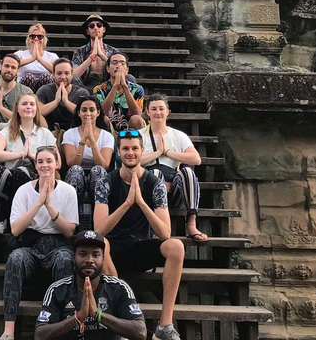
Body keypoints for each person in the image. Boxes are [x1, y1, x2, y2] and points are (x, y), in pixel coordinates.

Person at [94, 129, 186, 340]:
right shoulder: (106, 182)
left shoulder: (155, 184)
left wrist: (141, 203)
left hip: (141, 246)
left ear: (142, 151)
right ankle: (123, 322)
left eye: (135, 148)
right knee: (100, 243)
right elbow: (98, 230)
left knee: (176, 246)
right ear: (118, 152)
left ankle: (165, 325)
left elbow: (165, 233)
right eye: (125, 148)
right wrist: (127, 204)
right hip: (113, 250)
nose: (130, 153)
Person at [1, 145, 79, 340]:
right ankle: (9, 329)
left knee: (65, 260)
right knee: (15, 259)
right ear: (35, 165)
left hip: (58, 243)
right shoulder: (24, 191)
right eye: (40, 161)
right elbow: (16, 229)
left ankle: (61, 325)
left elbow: (70, 230)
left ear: (57, 164)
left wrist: (49, 206)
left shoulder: (68, 191)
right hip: (31, 243)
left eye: (49, 161)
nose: (45, 165)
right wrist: (38, 203)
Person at [34, 230, 146, 340]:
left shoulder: (118, 287)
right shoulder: (57, 289)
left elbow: (140, 332)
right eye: (83, 254)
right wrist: (78, 317)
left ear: (103, 259)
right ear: (74, 258)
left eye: (95, 255)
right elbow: (39, 334)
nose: (89, 260)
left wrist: (98, 315)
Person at [141, 94, 207, 242]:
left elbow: (196, 159)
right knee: (155, 174)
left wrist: (168, 152)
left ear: (167, 111)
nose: (158, 112)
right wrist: (157, 153)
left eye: (161, 108)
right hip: (149, 185)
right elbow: (133, 162)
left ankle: (191, 223)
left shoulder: (178, 135)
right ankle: (155, 226)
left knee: (188, 172)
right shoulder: (140, 135)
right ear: (147, 112)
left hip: (174, 188)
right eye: (154, 109)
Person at [0, 93, 57, 232]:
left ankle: (21, 217)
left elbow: (58, 162)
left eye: (32, 104)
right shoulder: (7, 131)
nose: (28, 107)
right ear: (17, 109)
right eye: (24, 104)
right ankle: (1, 219)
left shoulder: (45, 133)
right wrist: (20, 154)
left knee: (21, 171)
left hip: (34, 176)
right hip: (9, 175)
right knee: (0, 172)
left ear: (36, 109)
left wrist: (32, 156)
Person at [63, 96, 114, 226]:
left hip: (96, 174)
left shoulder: (107, 136)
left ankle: (98, 220)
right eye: (84, 110)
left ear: (98, 112)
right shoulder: (69, 133)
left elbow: (104, 164)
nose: (88, 114)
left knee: (98, 170)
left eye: (92, 110)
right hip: (76, 174)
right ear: (79, 113)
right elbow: (72, 163)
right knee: (75, 170)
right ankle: (72, 219)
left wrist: (92, 141)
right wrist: (82, 141)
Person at [92, 52, 145, 131]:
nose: (118, 66)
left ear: (127, 70)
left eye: (122, 63)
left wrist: (124, 86)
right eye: (114, 63)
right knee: (102, 118)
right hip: (109, 130)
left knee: (137, 118)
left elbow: (137, 114)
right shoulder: (99, 89)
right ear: (108, 69)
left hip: (129, 131)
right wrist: (115, 86)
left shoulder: (137, 89)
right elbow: (101, 113)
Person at [37, 58, 91, 131]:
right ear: (53, 74)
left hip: (75, 129)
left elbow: (87, 113)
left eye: (66, 73)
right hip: (49, 129)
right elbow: (37, 112)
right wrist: (56, 101)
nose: (63, 77)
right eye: (59, 73)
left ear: (72, 75)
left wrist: (66, 102)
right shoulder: (45, 90)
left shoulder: (82, 93)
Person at [72, 14, 119, 89]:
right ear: (87, 31)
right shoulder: (80, 51)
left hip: (108, 87)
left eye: (99, 25)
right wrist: (91, 57)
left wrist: (101, 55)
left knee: (129, 78)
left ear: (104, 29)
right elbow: (74, 75)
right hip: (86, 88)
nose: (96, 28)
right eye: (91, 26)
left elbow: (119, 71)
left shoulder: (113, 51)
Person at [16, 23, 60, 92]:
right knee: (29, 77)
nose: (36, 39)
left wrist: (39, 59)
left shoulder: (52, 56)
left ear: (44, 40)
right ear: (28, 39)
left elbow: (58, 70)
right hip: (25, 89)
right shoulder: (20, 54)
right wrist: (32, 58)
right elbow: (12, 63)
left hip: (44, 89)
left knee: (46, 77)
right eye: (32, 36)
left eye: (39, 37)